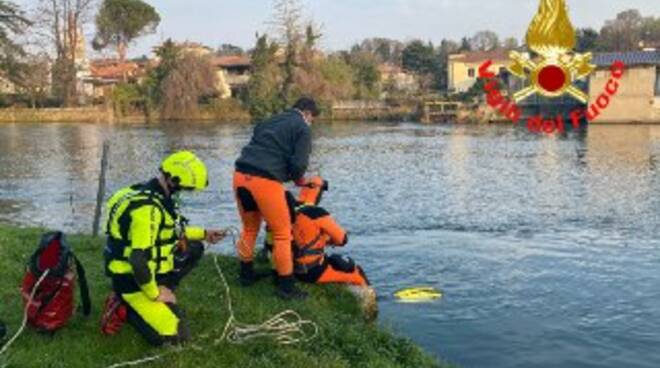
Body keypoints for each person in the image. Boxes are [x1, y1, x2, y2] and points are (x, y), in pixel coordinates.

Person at [103, 151, 225, 346]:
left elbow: (169, 230)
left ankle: (163, 287)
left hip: (145, 271)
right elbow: (138, 260)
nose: (186, 192)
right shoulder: (147, 210)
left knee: (194, 248)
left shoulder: (145, 193)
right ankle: (123, 305)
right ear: (174, 181)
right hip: (132, 280)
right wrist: (155, 294)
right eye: (186, 188)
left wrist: (204, 233)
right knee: (176, 336)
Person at [234, 97, 320, 300]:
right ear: (307, 113)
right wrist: (298, 180)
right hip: (265, 181)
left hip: (240, 176)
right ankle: (286, 287)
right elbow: (299, 164)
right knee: (282, 233)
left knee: (249, 228)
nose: (311, 123)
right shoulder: (302, 127)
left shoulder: (269, 121)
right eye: (312, 119)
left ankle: (246, 275)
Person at [290, 177, 369, 286]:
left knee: (333, 260)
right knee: (353, 269)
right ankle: (369, 297)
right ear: (317, 192)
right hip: (312, 271)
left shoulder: (289, 209)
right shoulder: (317, 213)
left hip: (289, 268)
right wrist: (329, 240)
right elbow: (342, 239)